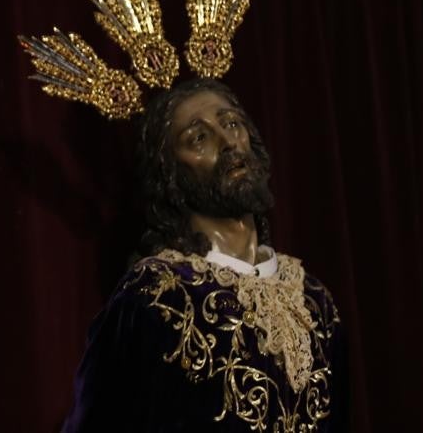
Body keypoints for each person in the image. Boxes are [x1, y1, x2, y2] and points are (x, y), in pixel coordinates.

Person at [62, 78, 345, 431]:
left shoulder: (314, 301)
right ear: (170, 175)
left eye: (231, 124)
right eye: (198, 138)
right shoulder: (155, 296)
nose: (227, 142)